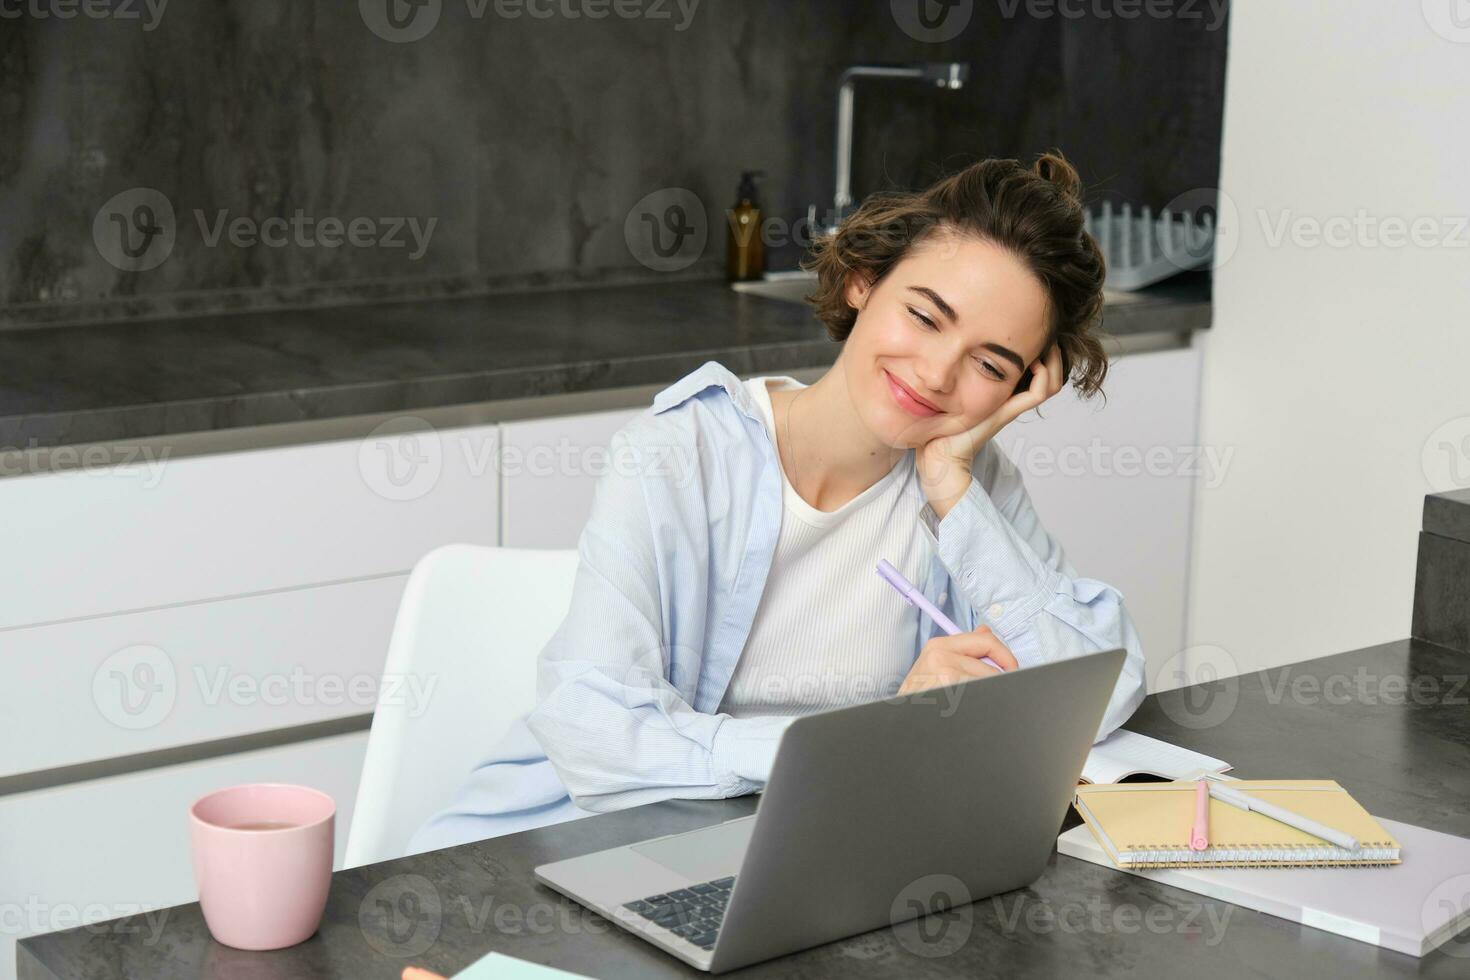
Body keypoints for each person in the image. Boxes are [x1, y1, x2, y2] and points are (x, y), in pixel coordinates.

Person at [406, 150, 1147, 854]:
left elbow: (1101, 687)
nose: (936, 373)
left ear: (1020, 388)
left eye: (990, 363)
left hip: (798, 856)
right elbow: (596, 728)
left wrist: (954, 483)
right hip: (567, 849)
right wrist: (871, 739)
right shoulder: (682, 453)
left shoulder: (970, 487)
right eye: (924, 316)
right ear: (862, 281)